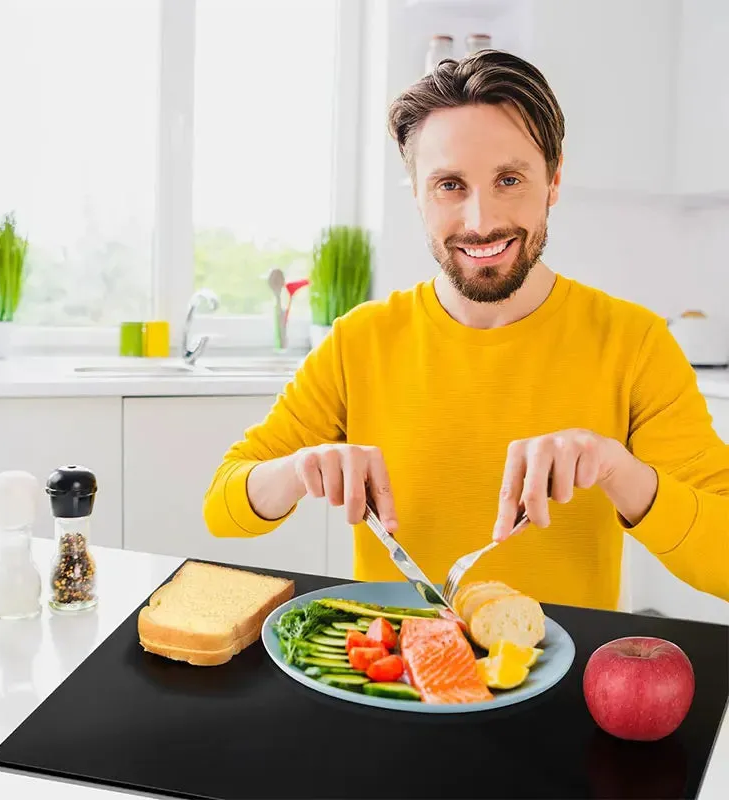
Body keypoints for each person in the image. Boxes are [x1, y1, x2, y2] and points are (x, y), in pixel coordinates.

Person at [203, 50, 729, 611]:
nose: (479, 222)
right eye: (450, 185)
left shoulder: (634, 343)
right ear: (416, 193)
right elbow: (223, 507)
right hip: (395, 681)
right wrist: (297, 470)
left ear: (553, 181)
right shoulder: (360, 341)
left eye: (509, 179)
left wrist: (619, 470)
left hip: (566, 685)